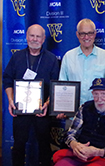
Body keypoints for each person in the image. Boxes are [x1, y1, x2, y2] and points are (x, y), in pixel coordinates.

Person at [3, 24, 60, 166]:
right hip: (20, 109)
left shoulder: (52, 59)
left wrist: (47, 103)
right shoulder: (17, 57)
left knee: (44, 145)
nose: (34, 39)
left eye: (38, 36)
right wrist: (10, 100)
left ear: (43, 39)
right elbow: (7, 80)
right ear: (27, 37)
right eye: (32, 36)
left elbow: (56, 85)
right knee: (18, 145)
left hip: (42, 110)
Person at [53, 78, 105, 166]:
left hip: (100, 156)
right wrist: (74, 145)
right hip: (78, 152)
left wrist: (97, 152)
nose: (99, 99)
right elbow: (71, 132)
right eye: (96, 94)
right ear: (92, 94)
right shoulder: (85, 107)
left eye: (103, 94)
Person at [58, 18, 105, 108]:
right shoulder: (68, 56)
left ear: (95, 34)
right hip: (73, 114)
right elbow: (62, 86)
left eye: (90, 33)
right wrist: (61, 107)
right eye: (83, 33)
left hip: (98, 114)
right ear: (77, 35)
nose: (86, 37)